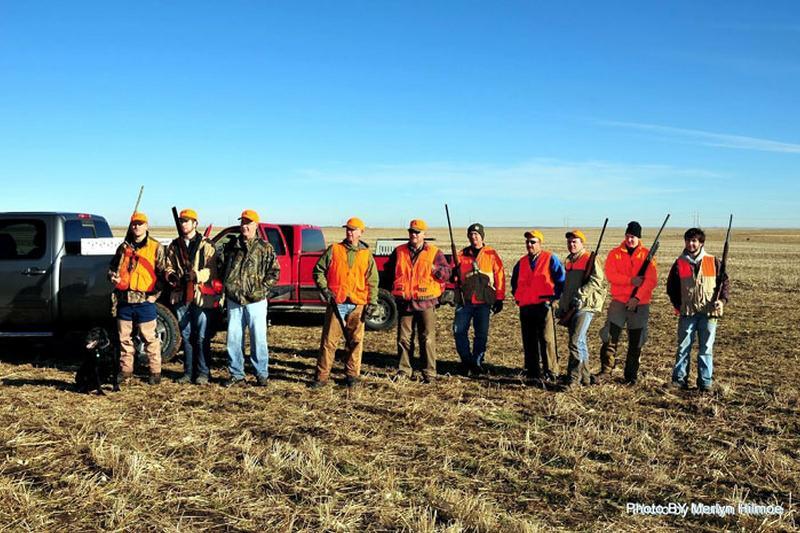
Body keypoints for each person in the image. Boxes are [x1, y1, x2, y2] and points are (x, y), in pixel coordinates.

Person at [312, 217, 379, 388]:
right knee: (329, 341)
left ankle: (351, 375)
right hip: (337, 302)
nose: (350, 232)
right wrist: (325, 289)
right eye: (348, 229)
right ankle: (321, 377)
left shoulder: (366, 254)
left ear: (360, 232)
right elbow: (318, 270)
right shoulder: (334, 249)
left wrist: (372, 302)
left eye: (353, 229)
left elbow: (373, 281)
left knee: (355, 341)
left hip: (358, 303)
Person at [381, 219, 451, 383]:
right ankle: (404, 371)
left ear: (424, 234)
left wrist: (436, 270)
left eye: (417, 232)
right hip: (405, 302)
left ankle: (429, 373)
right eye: (411, 231)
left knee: (427, 338)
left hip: (426, 302)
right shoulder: (399, 251)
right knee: (404, 338)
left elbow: (447, 273)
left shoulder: (434, 252)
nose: (414, 234)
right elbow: (389, 272)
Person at [218, 209, 280, 387]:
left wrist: (261, 291)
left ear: (256, 225)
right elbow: (222, 268)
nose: (245, 226)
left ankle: (261, 374)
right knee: (233, 339)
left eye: (248, 223)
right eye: (243, 222)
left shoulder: (265, 248)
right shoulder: (231, 247)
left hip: (256, 302)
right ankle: (236, 374)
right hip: (234, 300)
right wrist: (227, 286)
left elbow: (274, 272)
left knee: (258, 338)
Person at [666, 228, 729, 391]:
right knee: (683, 348)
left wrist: (722, 301)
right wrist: (678, 305)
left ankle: (705, 383)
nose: (690, 243)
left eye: (694, 240)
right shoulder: (680, 262)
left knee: (706, 349)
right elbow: (671, 287)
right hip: (687, 313)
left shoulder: (712, 261)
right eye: (688, 240)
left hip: (708, 313)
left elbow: (724, 283)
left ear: (701, 243)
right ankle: (679, 381)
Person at [595, 221, 657, 385]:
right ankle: (606, 371)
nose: (630, 239)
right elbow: (610, 275)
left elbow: (651, 280)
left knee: (636, 341)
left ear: (639, 237)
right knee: (609, 337)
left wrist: (636, 298)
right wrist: (631, 281)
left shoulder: (647, 255)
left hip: (640, 304)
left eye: (634, 237)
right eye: (628, 236)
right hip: (619, 302)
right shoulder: (614, 253)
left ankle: (630, 376)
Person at [108, 212, 166, 385]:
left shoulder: (155, 247)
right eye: (134, 224)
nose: (137, 227)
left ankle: (155, 372)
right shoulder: (123, 248)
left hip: (144, 301)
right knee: (124, 339)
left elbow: (164, 274)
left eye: (140, 224)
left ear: (146, 226)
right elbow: (112, 268)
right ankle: (126, 372)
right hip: (124, 300)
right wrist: (112, 277)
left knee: (150, 339)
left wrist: (154, 296)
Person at [165, 208, 219, 385]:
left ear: (195, 223)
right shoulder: (174, 245)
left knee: (202, 335)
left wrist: (196, 275)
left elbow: (212, 270)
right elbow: (168, 267)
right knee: (186, 335)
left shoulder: (207, 245)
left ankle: (203, 373)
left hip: (201, 296)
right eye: (181, 221)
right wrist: (172, 277)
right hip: (181, 296)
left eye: (187, 221)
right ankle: (188, 372)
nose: (183, 224)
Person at [511, 230, 565, 385]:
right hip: (526, 306)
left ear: (540, 243)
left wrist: (555, 298)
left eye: (533, 242)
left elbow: (561, 280)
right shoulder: (521, 262)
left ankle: (551, 372)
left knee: (547, 339)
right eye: (528, 242)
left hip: (544, 305)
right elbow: (514, 282)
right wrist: (518, 297)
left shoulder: (550, 258)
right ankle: (533, 371)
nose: (530, 245)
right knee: (529, 340)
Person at [453, 223, 505, 376]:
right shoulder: (461, 254)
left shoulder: (491, 254)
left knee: (481, 334)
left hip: (483, 302)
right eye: (471, 235)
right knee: (458, 331)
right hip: (465, 301)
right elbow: (454, 276)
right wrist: (454, 274)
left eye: (476, 234)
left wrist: (499, 298)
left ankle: (477, 363)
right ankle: (466, 360)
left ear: (482, 236)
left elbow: (499, 276)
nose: (473, 237)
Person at [556, 229, 605, 387]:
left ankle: (573, 378)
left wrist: (581, 294)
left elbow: (598, 280)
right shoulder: (569, 260)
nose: (571, 244)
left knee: (575, 341)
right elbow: (567, 287)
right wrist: (563, 306)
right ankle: (585, 377)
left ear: (582, 243)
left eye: (574, 241)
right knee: (580, 342)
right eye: (569, 242)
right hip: (572, 306)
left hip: (585, 306)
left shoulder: (590, 259)